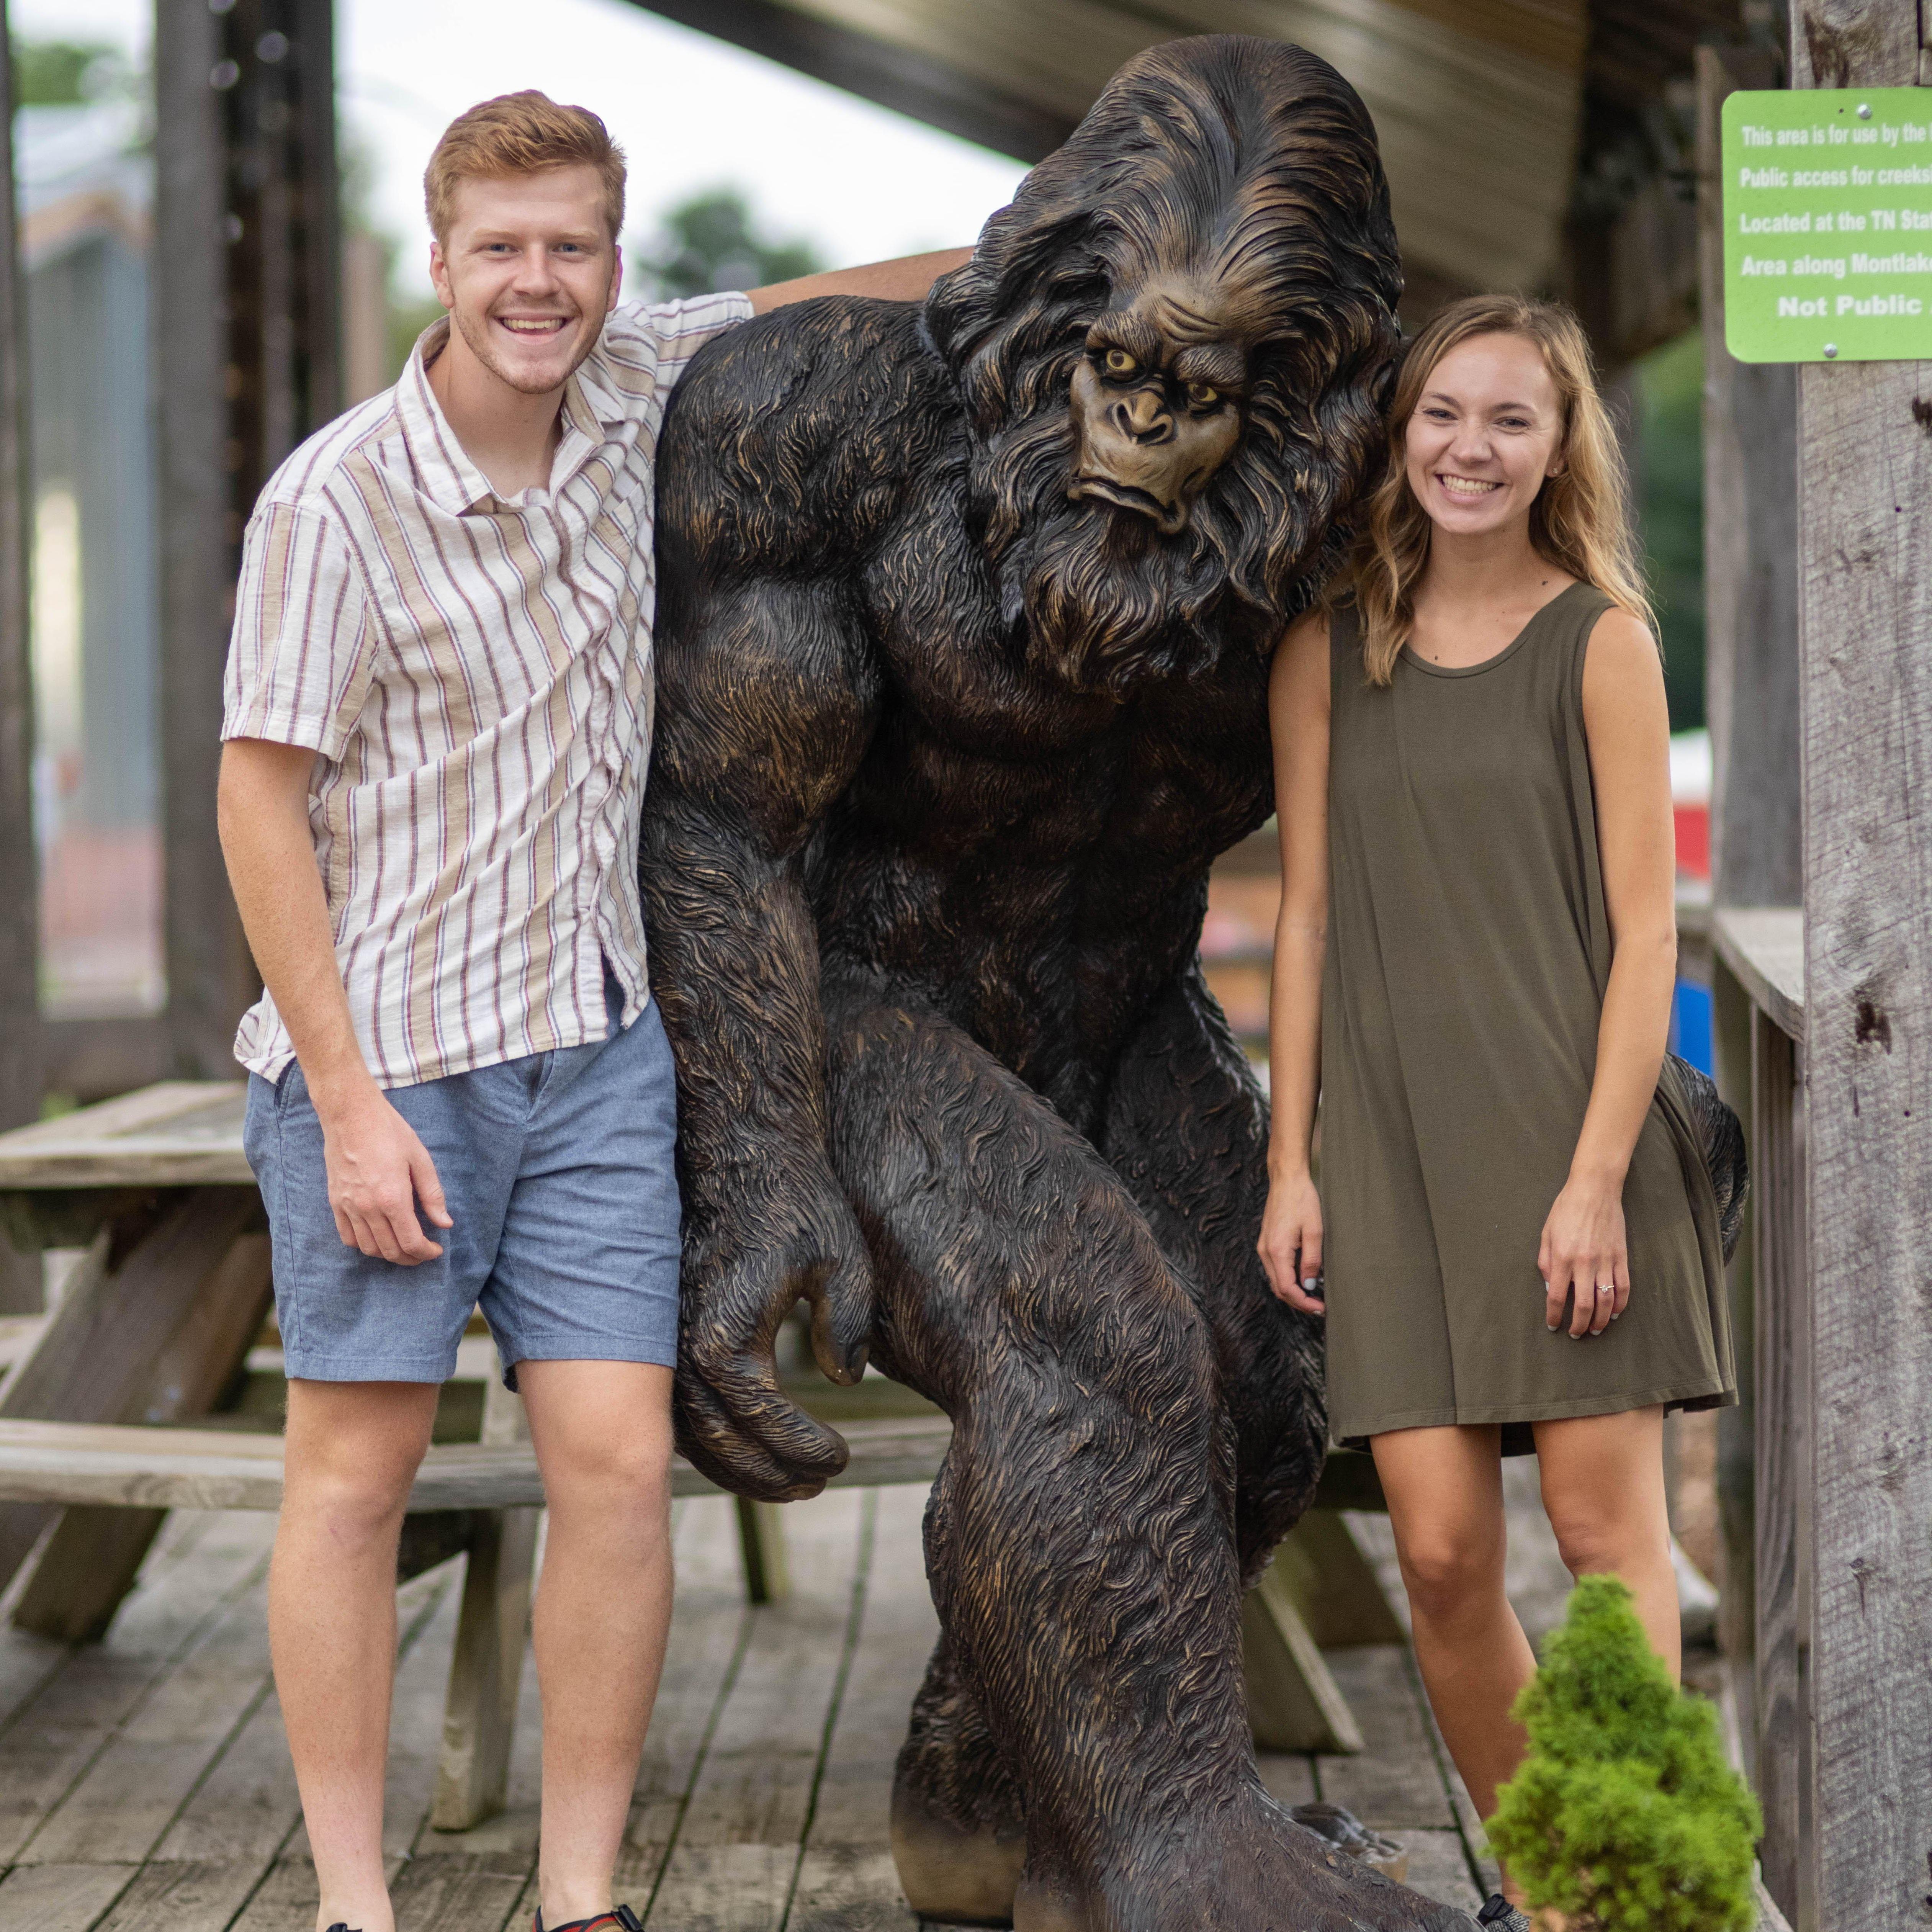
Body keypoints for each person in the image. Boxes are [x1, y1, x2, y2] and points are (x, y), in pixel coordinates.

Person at [216, 90, 967, 1932]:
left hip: (596, 1050)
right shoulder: (335, 498)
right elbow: (256, 799)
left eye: (570, 247)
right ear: (442, 256)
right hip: (384, 1064)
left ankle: (576, 1897)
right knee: (353, 1475)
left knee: (621, 1471)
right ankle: (350, 1900)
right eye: (503, 249)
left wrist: (1053, 234)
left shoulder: (639, 384)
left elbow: (846, 295)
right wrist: (351, 1097)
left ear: (612, 263)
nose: (537, 283)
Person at [1258, 294, 1736, 1929]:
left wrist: (1595, 1177)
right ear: (1402, 434)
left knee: (1608, 1547)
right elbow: (1307, 916)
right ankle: (1552, 1887)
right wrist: (1287, 1160)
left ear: (1556, 449)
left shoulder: (1597, 638)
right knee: (1446, 1557)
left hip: (1568, 1145)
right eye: (1442, 414)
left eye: (1508, 420)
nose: (1470, 446)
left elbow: (1644, 931)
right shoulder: (1324, 651)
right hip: (1386, 1158)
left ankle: (1639, 1893)